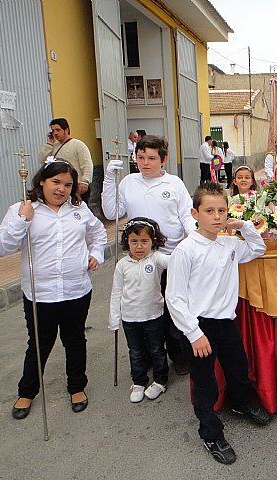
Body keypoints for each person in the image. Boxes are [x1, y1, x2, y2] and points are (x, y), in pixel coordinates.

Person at [166, 182, 270, 465]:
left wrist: (244, 225)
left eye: (222, 210)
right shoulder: (186, 250)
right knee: (205, 383)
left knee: (238, 369)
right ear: (195, 213)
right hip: (198, 326)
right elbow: (174, 298)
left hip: (226, 322)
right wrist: (193, 333)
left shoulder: (230, 244)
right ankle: (210, 433)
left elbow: (258, 248)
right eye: (209, 210)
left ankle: (241, 403)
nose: (216, 216)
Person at [0, 160, 107, 419]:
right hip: (39, 294)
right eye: (56, 182)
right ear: (42, 181)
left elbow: (98, 232)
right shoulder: (22, 209)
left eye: (67, 184)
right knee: (39, 343)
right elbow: (2, 247)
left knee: (75, 339)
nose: (61, 189)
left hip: (76, 290)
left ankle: (77, 387)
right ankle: (27, 391)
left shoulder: (79, 209)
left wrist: (96, 254)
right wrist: (23, 220)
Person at [102, 135, 196, 376]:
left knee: (172, 307)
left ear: (163, 160)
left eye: (152, 158)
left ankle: (178, 353)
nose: (145, 162)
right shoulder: (129, 182)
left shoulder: (174, 184)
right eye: (141, 157)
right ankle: (153, 355)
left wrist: (194, 239)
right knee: (147, 310)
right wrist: (108, 181)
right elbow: (112, 211)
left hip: (170, 255)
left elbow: (186, 215)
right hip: (141, 258)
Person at [109, 217, 171, 403]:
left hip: (153, 315)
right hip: (130, 318)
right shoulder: (122, 265)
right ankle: (139, 381)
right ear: (127, 242)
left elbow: (174, 261)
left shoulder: (157, 258)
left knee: (157, 350)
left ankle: (160, 381)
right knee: (135, 351)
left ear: (153, 241)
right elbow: (116, 292)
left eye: (144, 241)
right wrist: (114, 318)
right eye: (134, 241)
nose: (139, 246)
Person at [38, 118, 93, 204]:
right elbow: (42, 160)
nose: (55, 133)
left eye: (58, 130)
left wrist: (85, 181)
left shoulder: (78, 144)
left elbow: (87, 164)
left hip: (77, 186)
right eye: (53, 131)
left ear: (66, 130)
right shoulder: (54, 147)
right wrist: (49, 144)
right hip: (61, 187)